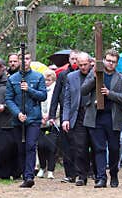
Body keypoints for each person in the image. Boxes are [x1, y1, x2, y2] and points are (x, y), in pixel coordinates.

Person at [81, 49, 122, 188]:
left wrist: (110, 93)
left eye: (113, 62)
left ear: (117, 63)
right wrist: (95, 78)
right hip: (96, 117)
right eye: (108, 60)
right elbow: (83, 90)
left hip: (112, 117)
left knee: (114, 148)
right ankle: (101, 178)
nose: (110, 64)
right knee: (99, 148)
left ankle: (114, 174)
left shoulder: (121, 78)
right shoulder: (95, 73)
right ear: (104, 60)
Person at [5, 53, 47, 188]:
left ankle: (29, 176)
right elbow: (9, 99)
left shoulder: (38, 77)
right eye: (22, 59)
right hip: (18, 119)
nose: (25, 61)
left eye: (27, 59)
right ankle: (23, 173)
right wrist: (17, 113)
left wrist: (29, 90)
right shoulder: (12, 79)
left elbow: (43, 96)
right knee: (20, 147)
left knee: (30, 146)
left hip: (33, 118)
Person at [49, 50, 79, 183]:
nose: (74, 61)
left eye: (76, 59)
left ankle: (82, 171)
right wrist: (51, 114)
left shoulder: (85, 74)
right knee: (66, 145)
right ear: (69, 59)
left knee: (79, 144)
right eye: (72, 59)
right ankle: (69, 173)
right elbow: (55, 96)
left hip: (79, 113)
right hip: (64, 114)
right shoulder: (62, 75)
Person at [62, 52, 92, 186]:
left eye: (85, 64)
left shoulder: (96, 75)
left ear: (90, 63)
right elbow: (67, 99)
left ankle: (98, 173)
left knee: (96, 146)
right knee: (80, 147)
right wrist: (65, 118)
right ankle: (81, 175)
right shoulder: (71, 77)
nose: (83, 67)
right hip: (78, 115)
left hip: (93, 114)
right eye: (80, 65)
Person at [37, 70, 58, 179]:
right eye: (45, 80)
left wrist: (50, 116)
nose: (46, 82)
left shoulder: (56, 91)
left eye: (49, 80)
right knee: (41, 146)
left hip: (53, 122)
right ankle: (42, 167)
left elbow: (58, 105)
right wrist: (41, 116)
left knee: (51, 147)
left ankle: (51, 169)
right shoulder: (40, 89)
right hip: (41, 122)